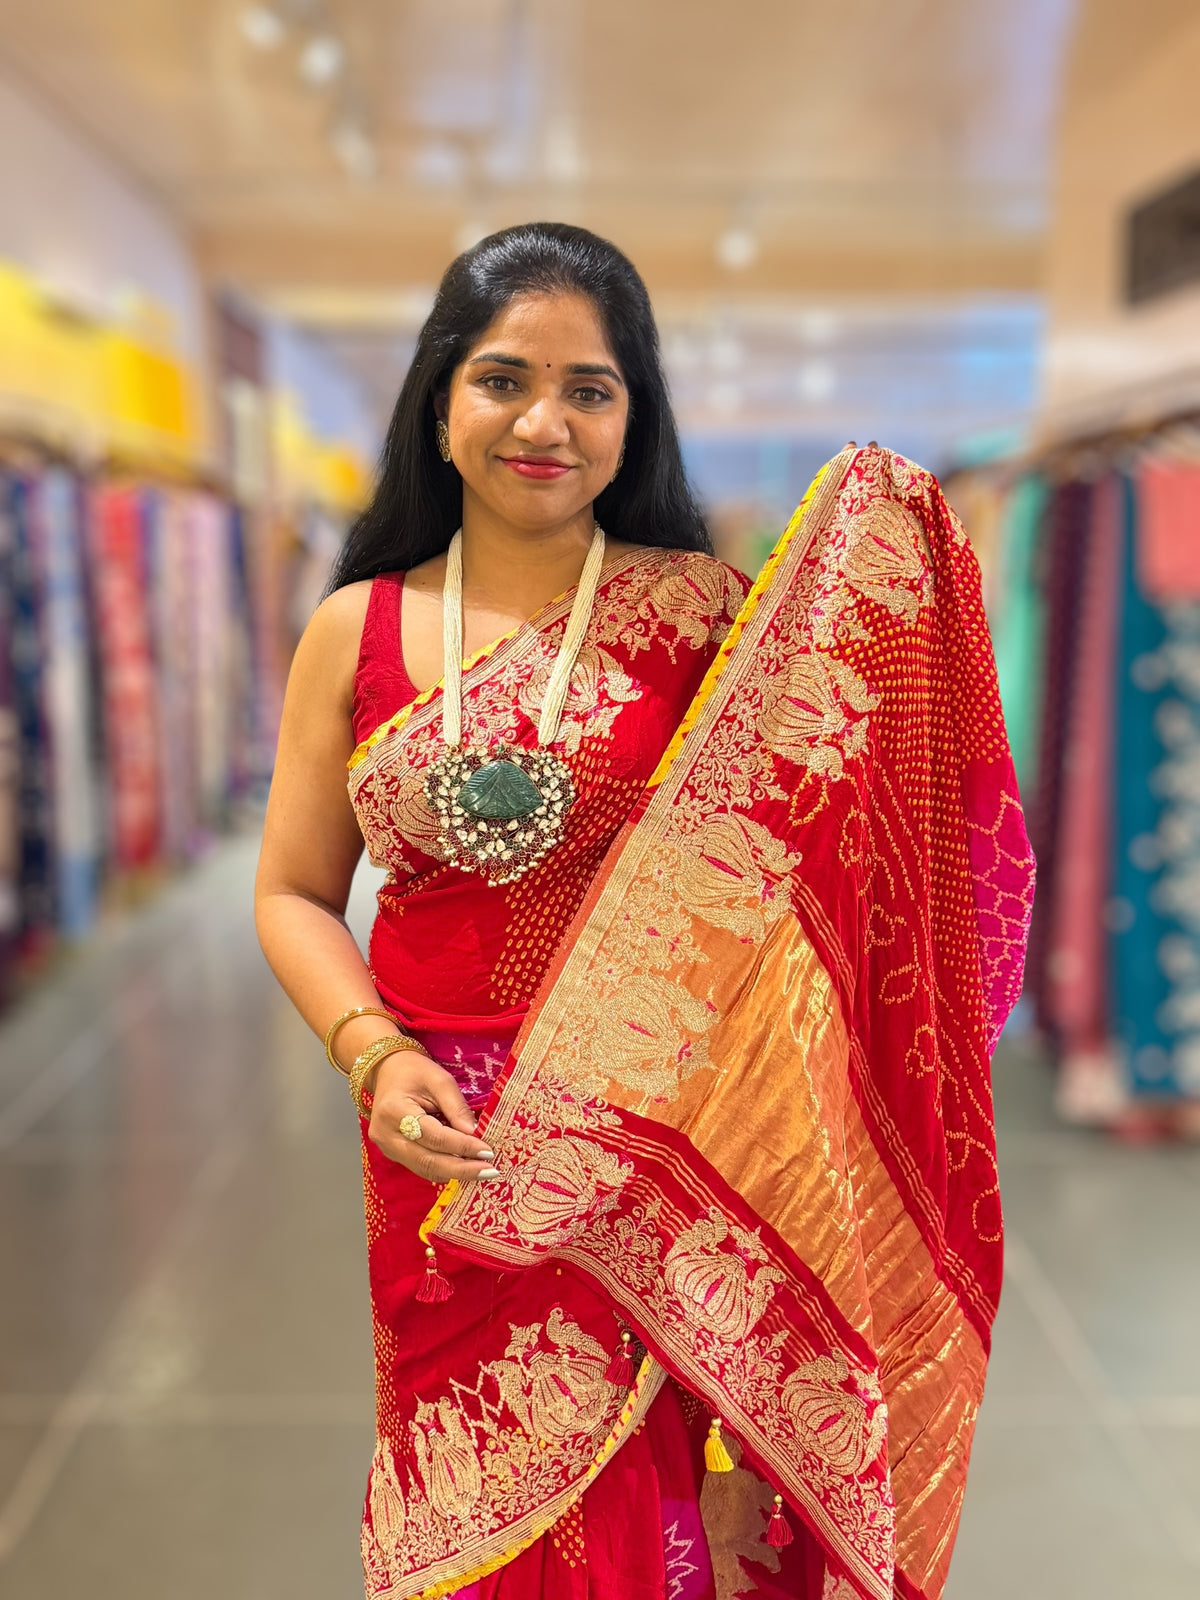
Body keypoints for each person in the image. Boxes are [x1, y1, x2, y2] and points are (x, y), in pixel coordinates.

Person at [255, 222, 1034, 1600]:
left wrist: (886, 554)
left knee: (666, 1512)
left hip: (657, 1146)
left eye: (591, 388)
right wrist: (371, 1055)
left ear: (634, 415)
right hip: (436, 1138)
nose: (544, 420)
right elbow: (294, 892)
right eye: (503, 379)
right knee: (463, 1497)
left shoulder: (707, 622)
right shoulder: (355, 627)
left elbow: (820, 881)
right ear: (440, 402)